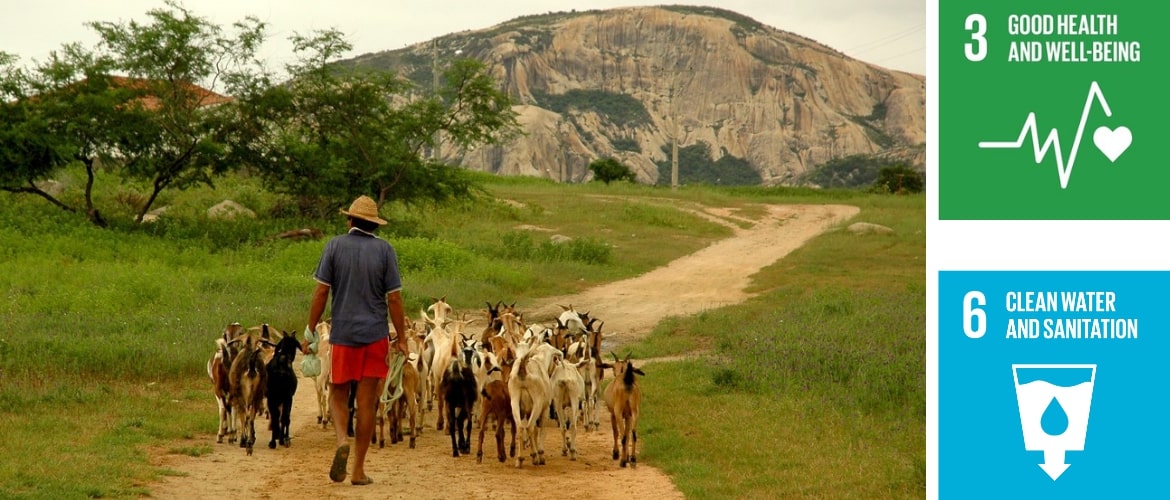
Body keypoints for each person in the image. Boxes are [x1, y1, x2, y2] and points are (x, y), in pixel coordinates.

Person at [306, 195, 409, 485]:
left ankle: (341, 439)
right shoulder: (386, 251)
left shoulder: (334, 246)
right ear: (374, 225)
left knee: (337, 393)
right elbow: (395, 298)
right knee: (367, 404)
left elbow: (321, 293)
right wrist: (402, 339)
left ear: (349, 220)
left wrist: (310, 329)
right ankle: (359, 470)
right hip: (375, 335)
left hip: (343, 334)